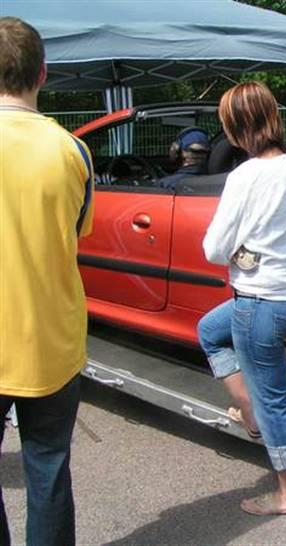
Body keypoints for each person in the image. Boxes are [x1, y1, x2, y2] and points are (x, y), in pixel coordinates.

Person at [0, 16, 94, 546]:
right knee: (48, 470)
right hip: (51, 342)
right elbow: (75, 233)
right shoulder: (72, 150)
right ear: (43, 74)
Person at [197, 81, 286, 516]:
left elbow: (213, 249)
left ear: (235, 126)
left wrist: (241, 254)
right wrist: (248, 252)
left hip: (259, 303)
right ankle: (248, 411)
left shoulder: (245, 175)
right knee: (209, 330)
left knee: (272, 401)